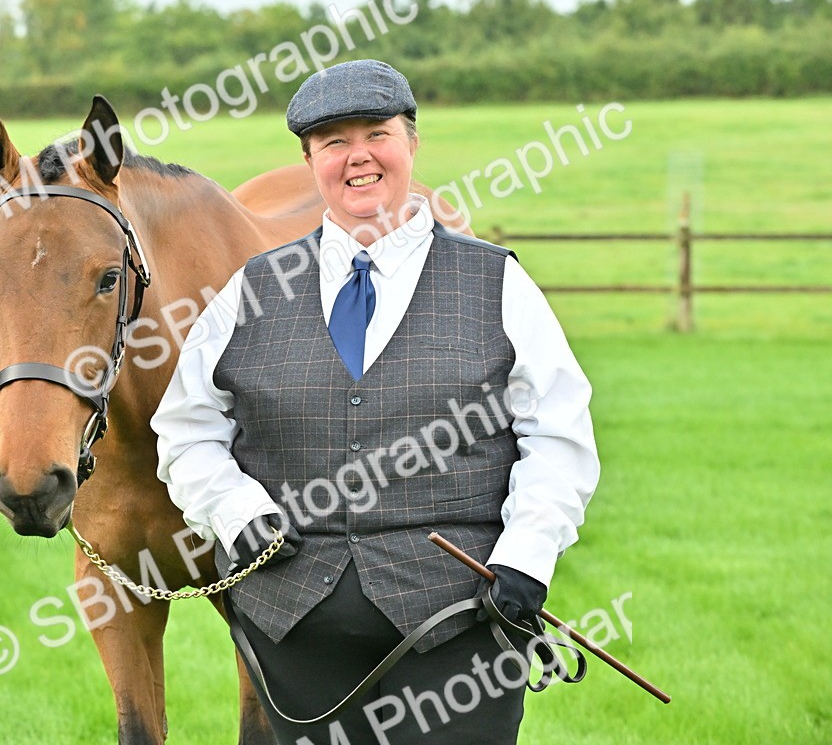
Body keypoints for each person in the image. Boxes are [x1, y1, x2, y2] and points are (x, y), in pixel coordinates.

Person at [151, 59, 599, 744]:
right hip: (294, 631)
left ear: (411, 144)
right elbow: (185, 429)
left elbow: (559, 434)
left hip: (460, 620)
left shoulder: (497, 282)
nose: (357, 156)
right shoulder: (249, 291)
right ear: (309, 161)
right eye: (333, 141)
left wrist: (527, 556)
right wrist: (234, 511)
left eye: (376, 134)